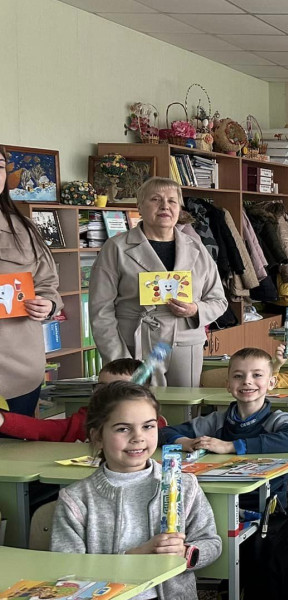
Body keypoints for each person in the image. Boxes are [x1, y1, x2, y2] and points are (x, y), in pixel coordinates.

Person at [51, 381, 221, 600]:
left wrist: (185, 552)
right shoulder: (76, 500)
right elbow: (67, 570)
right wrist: (134, 556)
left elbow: (211, 543)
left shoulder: (183, 485)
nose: (138, 437)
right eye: (123, 428)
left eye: (148, 426)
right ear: (97, 437)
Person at [89, 177, 228, 387]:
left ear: (179, 208)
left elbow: (218, 300)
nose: (165, 206)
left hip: (186, 343)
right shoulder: (116, 247)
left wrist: (195, 309)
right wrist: (118, 360)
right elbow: (101, 310)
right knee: (140, 409)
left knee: (184, 412)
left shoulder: (197, 247)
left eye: (172, 201)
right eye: (155, 199)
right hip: (136, 346)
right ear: (140, 207)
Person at [160, 347, 288, 507]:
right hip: (218, 501)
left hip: (263, 508)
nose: (247, 381)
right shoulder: (217, 420)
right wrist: (186, 442)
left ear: (271, 383)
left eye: (257, 375)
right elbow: (163, 433)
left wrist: (230, 446)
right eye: (238, 376)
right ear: (228, 385)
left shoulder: (277, 419)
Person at [0, 148, 62, 416]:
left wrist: (47, 304)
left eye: (0, 166)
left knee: (16, 454)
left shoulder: (23, 228)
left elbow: (48, 285)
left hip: (17, 370)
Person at [0, 358, 145, 442]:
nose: (108, 395)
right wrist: (2, 420)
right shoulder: (86, 419)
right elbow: (43, 428)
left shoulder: (149, 424)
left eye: (120, 389)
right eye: (102, 388)